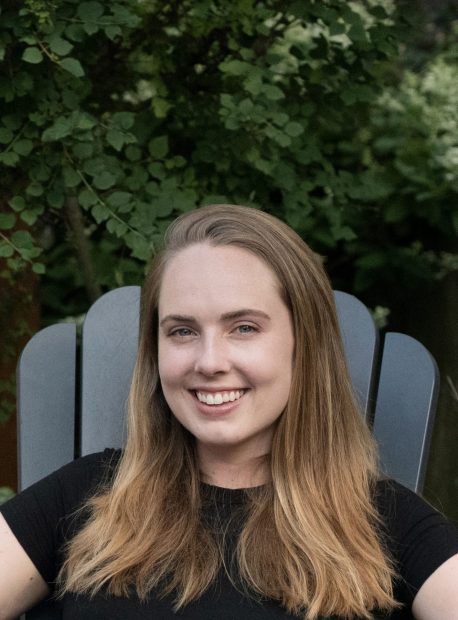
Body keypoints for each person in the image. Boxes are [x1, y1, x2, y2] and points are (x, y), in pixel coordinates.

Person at [0, 204, 457, 620]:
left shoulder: (385, 523)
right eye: (182, 331)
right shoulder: (86, 496)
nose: (209, 361)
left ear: (305, 345)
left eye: (244, 327)